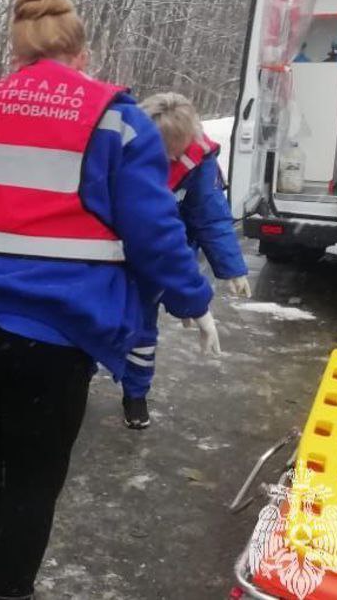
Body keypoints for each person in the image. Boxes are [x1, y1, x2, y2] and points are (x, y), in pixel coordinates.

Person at [0, 0, 218, 599]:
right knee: (36, 474)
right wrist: (192, 300)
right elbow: (153, 230)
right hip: (57, 332)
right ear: (81, 53)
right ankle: (8, 591)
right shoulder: (117, 121)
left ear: (14, 54)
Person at [121, 92, 250, 430]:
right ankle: (82, 375)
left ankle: (135, 394)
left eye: (171, 152)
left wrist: (231, 269)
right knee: (94, 320)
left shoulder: (199, 162)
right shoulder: (120, 147)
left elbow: (210, 215)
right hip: (116, 251)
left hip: (165, 254)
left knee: (144, 332)